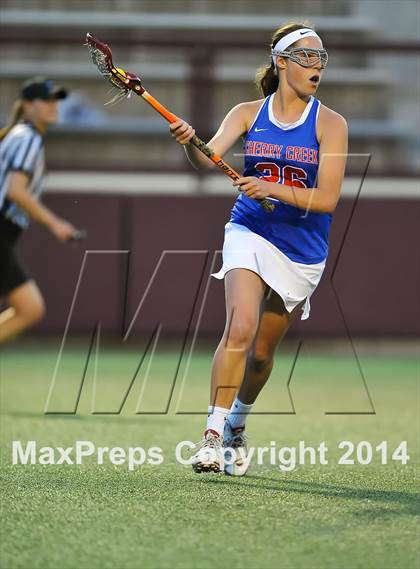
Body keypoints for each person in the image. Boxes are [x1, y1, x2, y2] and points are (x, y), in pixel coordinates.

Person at [169, 22, 348, 475]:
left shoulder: (330, 124)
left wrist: (273, 186)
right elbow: (208, 157)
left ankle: (237, 426)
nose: (316, 65)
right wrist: (193, 144)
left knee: (263, 355)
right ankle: (210, 435)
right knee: (240, 327)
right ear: (280, 61)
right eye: (306, 56)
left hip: (302, 250)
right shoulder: (248, 112)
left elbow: (326, 199)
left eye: (321, 57)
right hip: (249, 231)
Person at [0, 77, 78, 344]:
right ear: (27, 105)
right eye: (46, 100)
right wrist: (55, 224)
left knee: (28, 308)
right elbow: (16, 191)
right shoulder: (28, 138)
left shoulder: (16, 135)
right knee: (30, 309)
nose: (53, 106)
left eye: (55, 100)